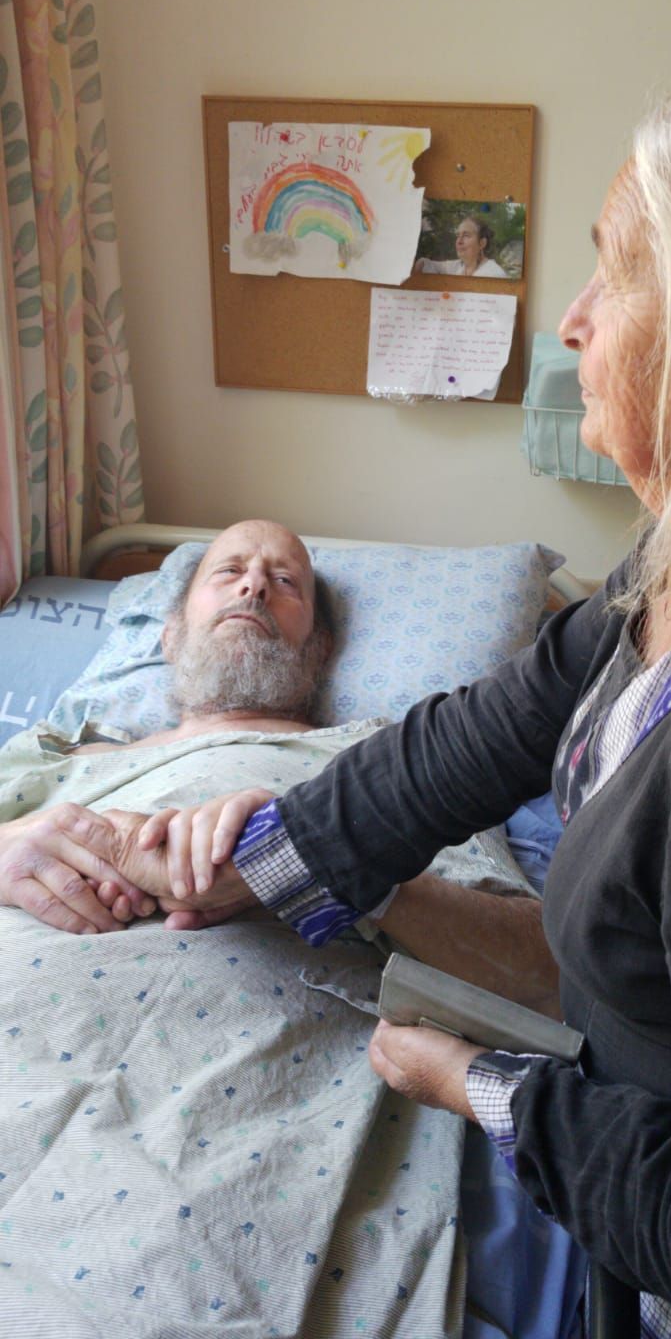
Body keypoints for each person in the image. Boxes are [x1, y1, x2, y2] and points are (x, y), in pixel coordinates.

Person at [150, 61, 671, 1338]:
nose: (572, 320)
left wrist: (482, 1083)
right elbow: (479, 734)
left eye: (616, 271)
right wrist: (261, 861)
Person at [0, 518, 544, 1335]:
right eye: (229, 572)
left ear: (320, 651)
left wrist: (320, 863)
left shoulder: (391, 765)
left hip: (199, 1121)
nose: (255, 585)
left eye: (286, 582)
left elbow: (545, 977)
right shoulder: (51, 757)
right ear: (173, 629)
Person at [414, 213, 509, 277]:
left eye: (466, 235)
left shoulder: (493, 273)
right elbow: (426, 265)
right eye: (458, 235)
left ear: (482, 243)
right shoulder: (459, 266)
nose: (459, 241)